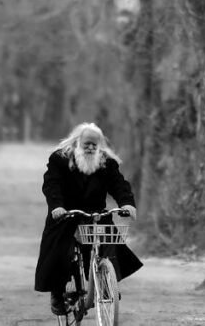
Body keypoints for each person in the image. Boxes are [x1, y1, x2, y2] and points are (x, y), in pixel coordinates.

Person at [34, 122, 143, 315]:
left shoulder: (106, 162)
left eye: (95, 144)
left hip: (95, 214)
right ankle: (58, 293)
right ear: (77, 142)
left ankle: (107, 281)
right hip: (66, 213)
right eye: (87, 144)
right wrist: (57, 206)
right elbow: (52, 185)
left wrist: (127, 203)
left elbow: (119, 184)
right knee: (60, 251)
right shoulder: (60, 159)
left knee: (109, 240)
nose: (91, 148)